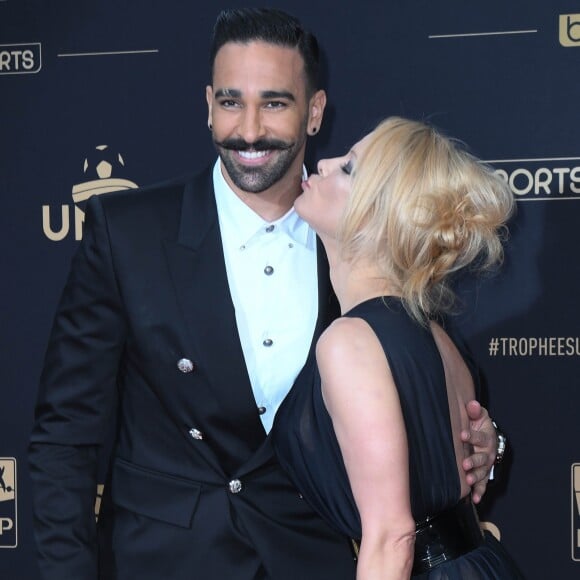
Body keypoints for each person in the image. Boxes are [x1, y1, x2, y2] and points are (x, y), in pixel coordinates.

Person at [28, 9, 500, 580]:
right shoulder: (126, 231)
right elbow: (66, 435)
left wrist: (479, 439)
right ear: (208, 105)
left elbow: (428, 380)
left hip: (320, 560)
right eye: (231, 102)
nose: (249, 130)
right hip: (162, 561)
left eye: (274, 103)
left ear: (315, 111)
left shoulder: (363, 242)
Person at [272, 116, 524, 579]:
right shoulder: (436, 336)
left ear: (378, 218)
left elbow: (392, 537)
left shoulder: (350, 342)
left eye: (348, 168)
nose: (323, 163)